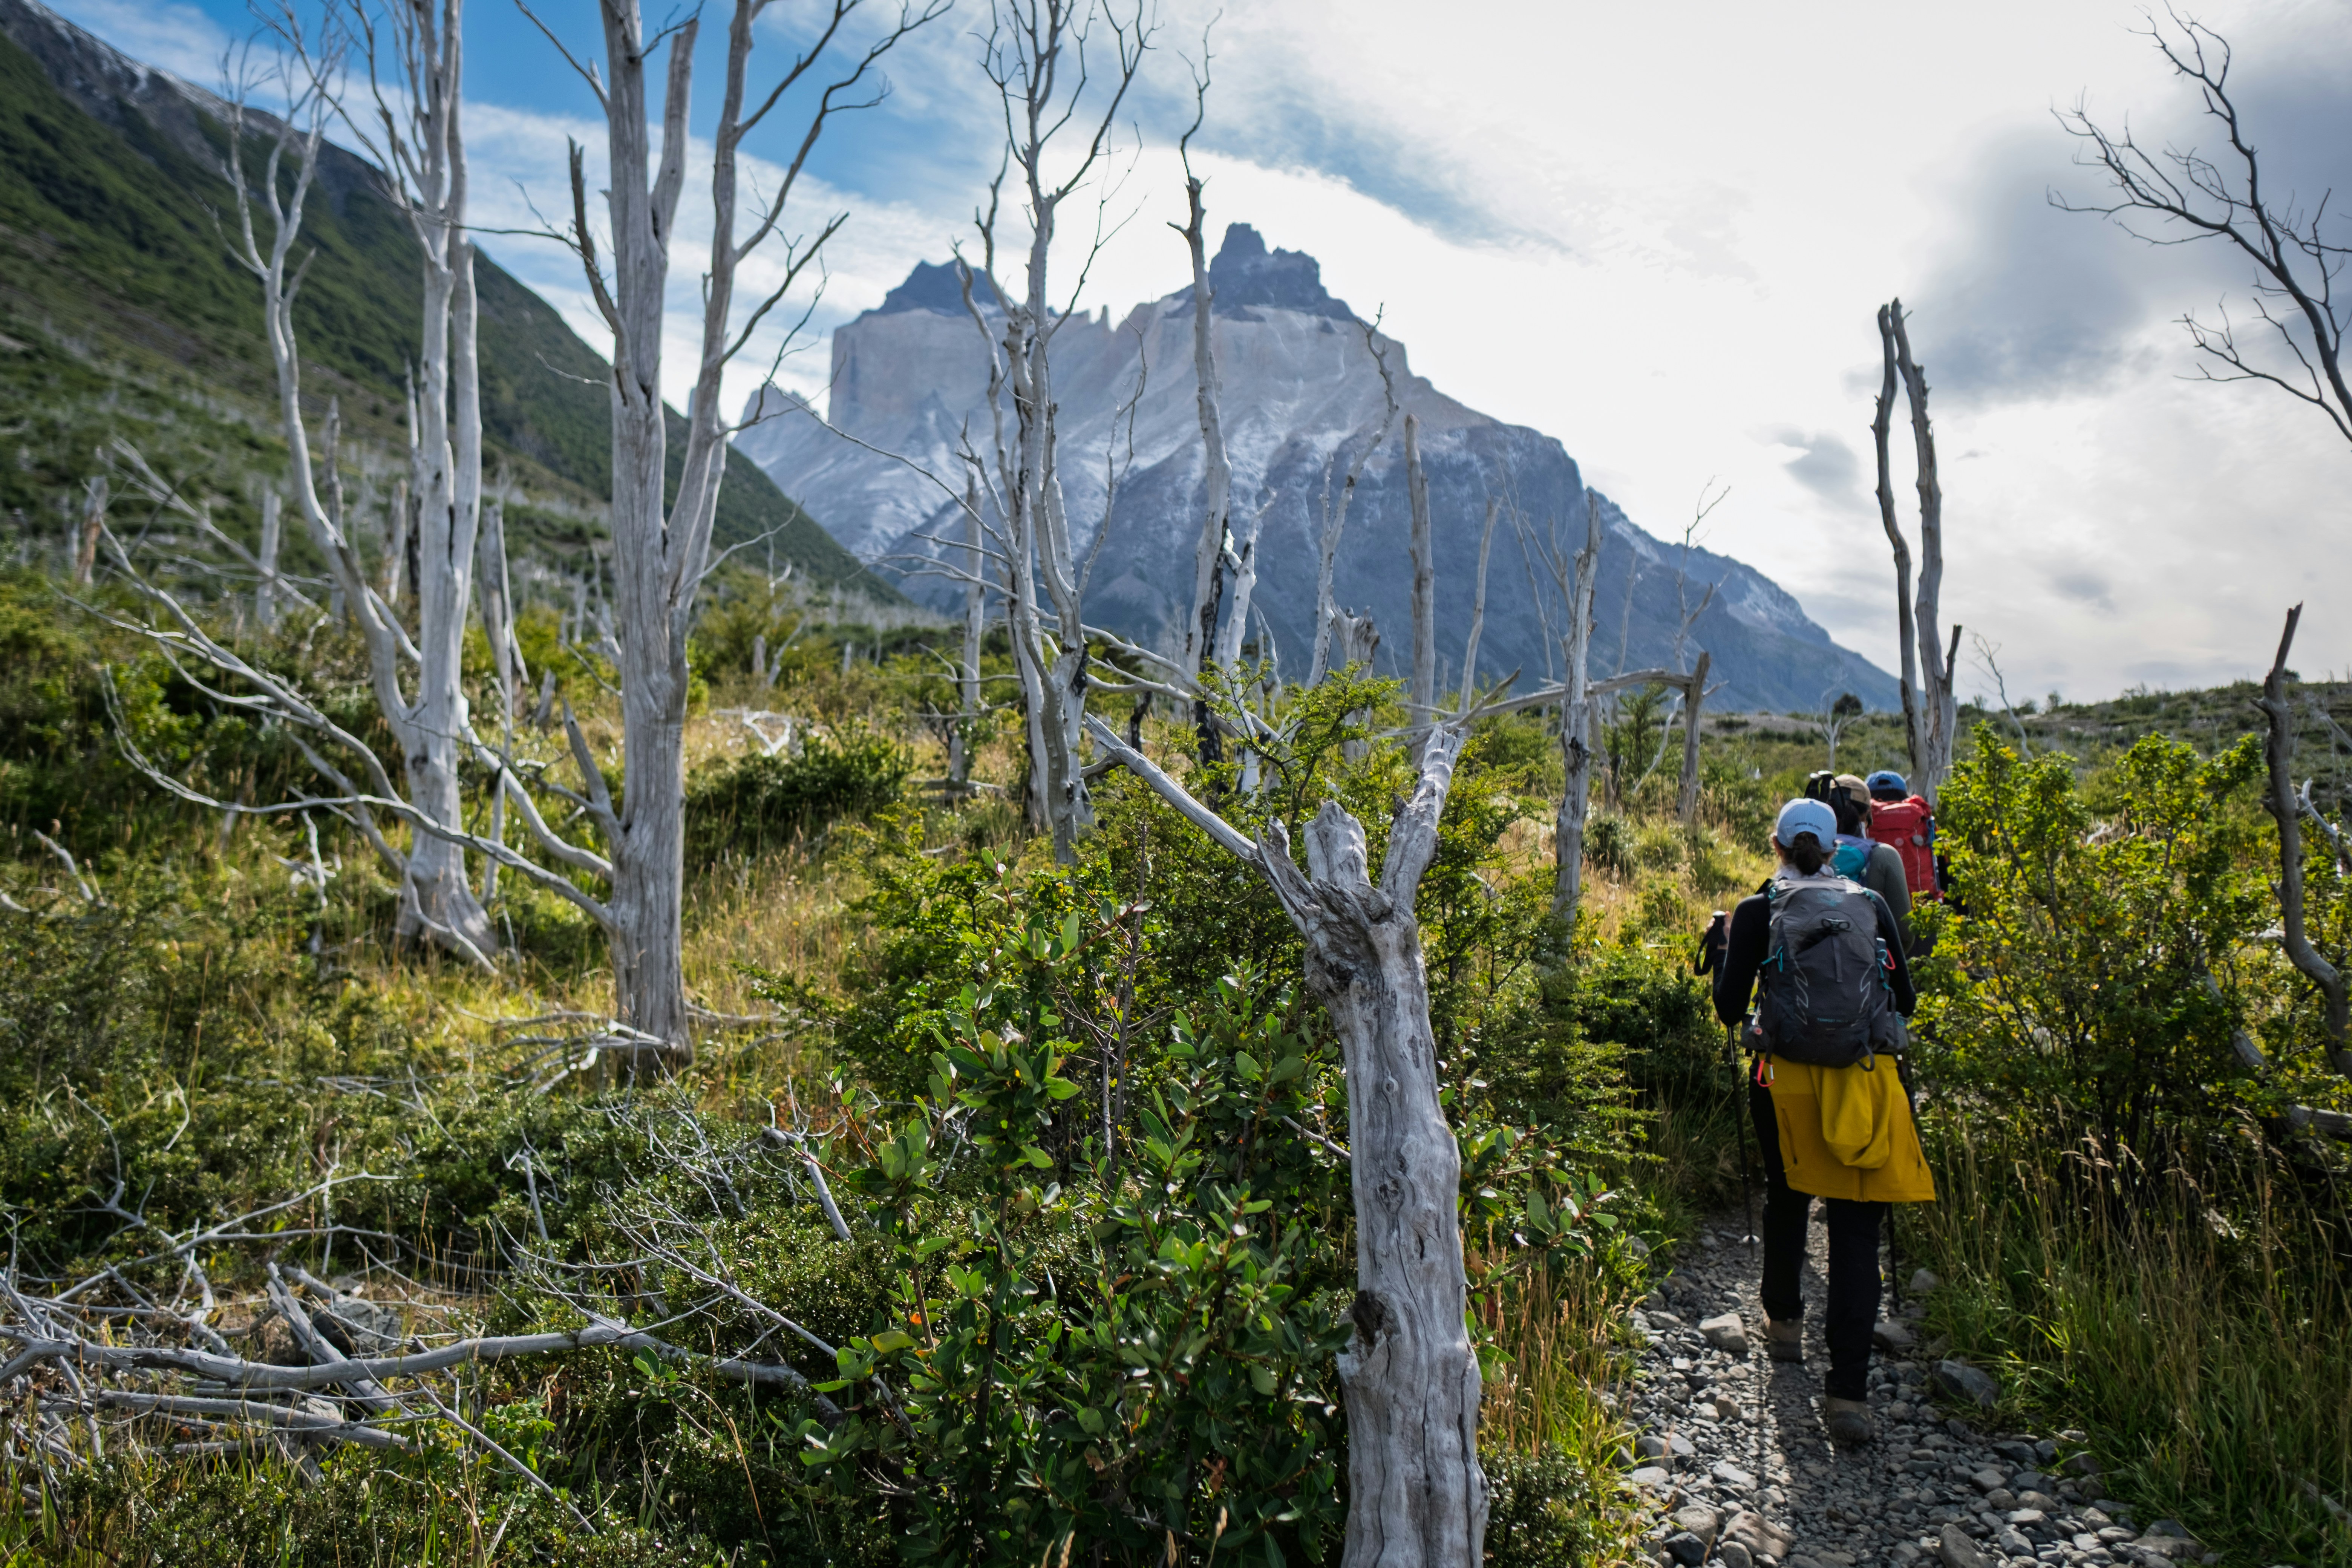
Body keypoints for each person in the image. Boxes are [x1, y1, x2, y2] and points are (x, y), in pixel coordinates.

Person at [1709, 797, 1937, 1446]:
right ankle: (1849, 1397)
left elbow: (1730, 1012)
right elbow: (1907, 1001)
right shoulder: (1870, 905)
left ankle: (1784, 1328)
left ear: (1777, 845)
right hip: (1864, 1088)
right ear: (1836, 848)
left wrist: (1726, 950)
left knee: (1786, 1197)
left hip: (1784, 1083)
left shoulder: (1760, 910)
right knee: (1855, 1232)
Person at [1865, 769, 1941, 903]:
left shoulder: (1862, 819)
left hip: (1875, 907)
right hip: (1922, 907)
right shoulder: (1923, 818)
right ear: (1903, 795)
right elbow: (1943, 866)